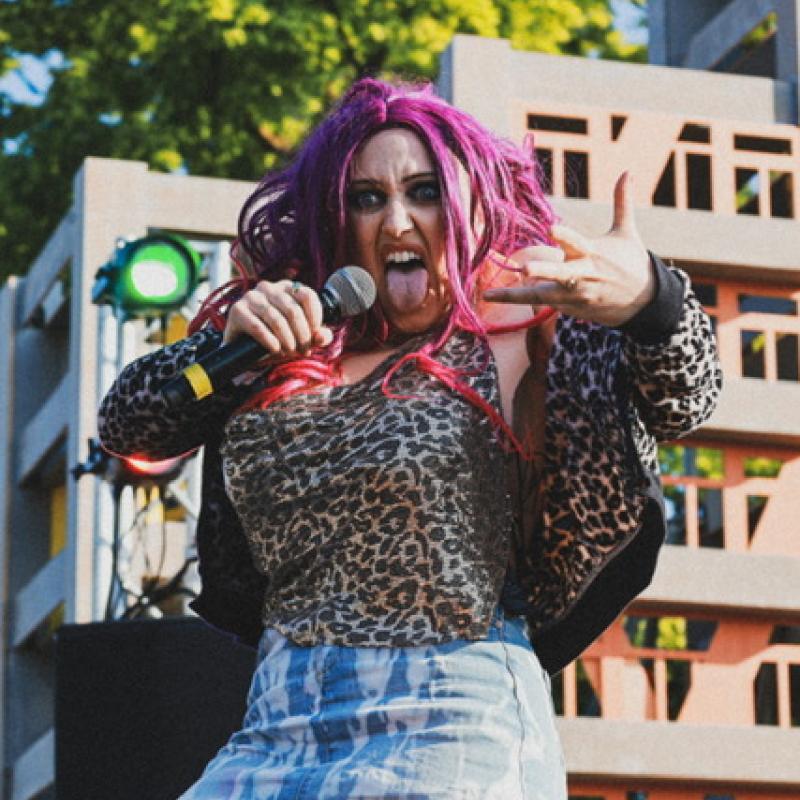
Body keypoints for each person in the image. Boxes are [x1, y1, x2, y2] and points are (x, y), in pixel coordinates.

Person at [97, 77, 721, 799]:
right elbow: (129, 423)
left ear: (469, 207)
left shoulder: (525, 333)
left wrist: (651, 299)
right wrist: (223, 351)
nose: (396, 221)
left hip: (450, 711)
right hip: (276, 722)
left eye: (424, 192)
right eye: (367, 198)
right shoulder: (295, 347)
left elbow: (687, 396)